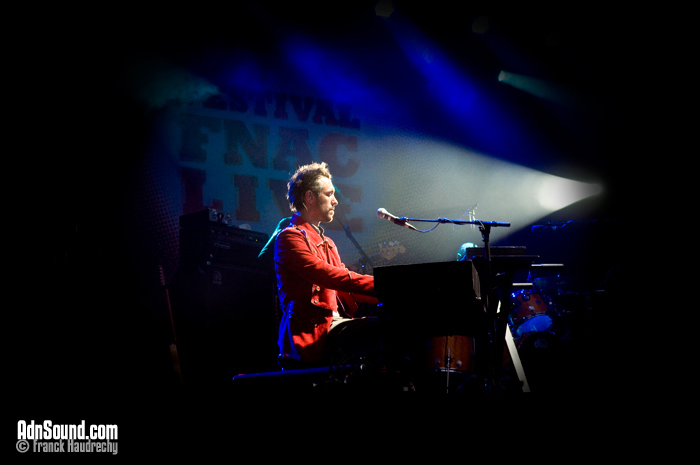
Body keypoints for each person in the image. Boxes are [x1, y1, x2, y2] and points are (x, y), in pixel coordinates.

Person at [274, 162, 379, 366]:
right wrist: (383, 285)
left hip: (333, 326)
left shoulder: (328, 243)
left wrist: (395, 292)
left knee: (398, 327)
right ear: (310, 197)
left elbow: (348, 289)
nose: (335, 201)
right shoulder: (289, 237)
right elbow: (329, 275)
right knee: (383, 330)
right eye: (329, 194)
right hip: (312, 333)